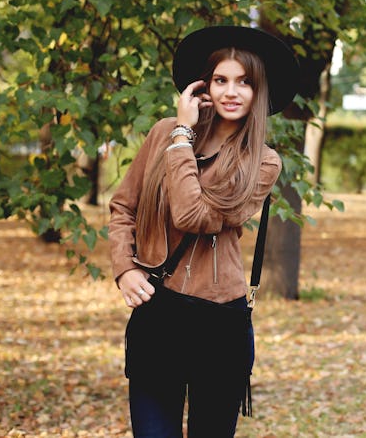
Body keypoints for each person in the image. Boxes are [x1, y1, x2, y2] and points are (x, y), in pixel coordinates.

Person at [108, 25, 299, 437]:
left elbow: (193, 215)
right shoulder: (161, 131)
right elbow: (124, 206)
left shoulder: (261, 162)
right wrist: (125, 268)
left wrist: (181, 138)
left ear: (258, 92)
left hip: (218, 325)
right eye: (221, 80)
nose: (232, 92)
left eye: (244, 82)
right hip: (158, 314)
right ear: (206, 86)